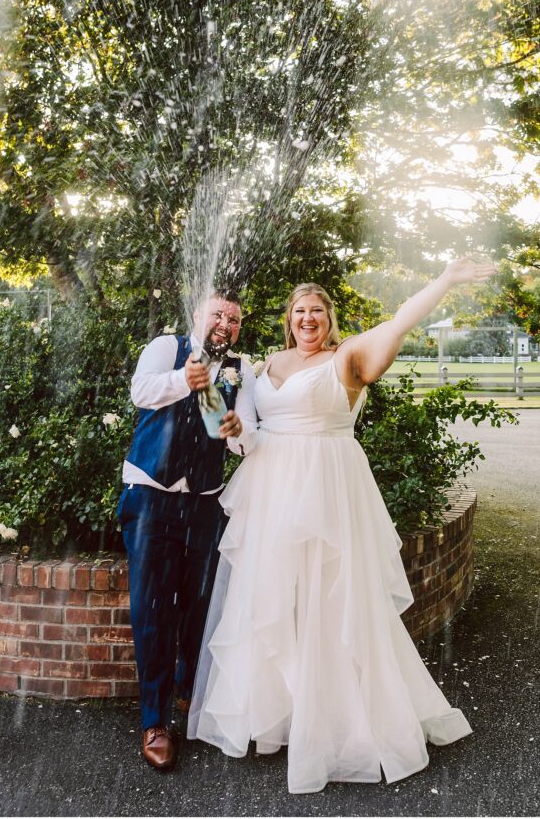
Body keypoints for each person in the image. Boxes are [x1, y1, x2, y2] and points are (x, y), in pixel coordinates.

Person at [188, 259, 495, 793]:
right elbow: (243, 433)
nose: (309, 319)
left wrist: (444, 281)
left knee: (333, 600)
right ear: (289, 319)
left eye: (318, 312)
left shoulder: (348, 357)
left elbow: (399, 322)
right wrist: (230, 424)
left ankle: (338, 723)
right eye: (300, 311)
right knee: (273, 600)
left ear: (330, 319)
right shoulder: (263, 367)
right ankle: (276, 718)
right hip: (271, 492)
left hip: (329, 488)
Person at [118, 291, 258, 770]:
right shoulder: (166, 347)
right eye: (218, 314)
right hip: (150, 496)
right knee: (152, 609)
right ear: (199, 316)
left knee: (199, 606)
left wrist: (239, 430)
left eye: (234, 319)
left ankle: (187, 692)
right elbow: (141, 392)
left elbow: (247, 440)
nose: (225, 323)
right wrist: (185, 379)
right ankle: (154, 720)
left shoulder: (243, 370)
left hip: (204, 504)